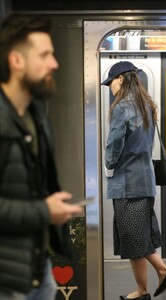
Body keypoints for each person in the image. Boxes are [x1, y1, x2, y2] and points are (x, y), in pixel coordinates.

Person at [0, 13, 83, 300]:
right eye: (45, 54)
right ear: (17, 61)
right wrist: (44, 211)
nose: (54, 64)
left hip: (37, 272)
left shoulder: (37, 119)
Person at [101, 61, 166, 300]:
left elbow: (114, 146)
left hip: (127, 185)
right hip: (145, 182)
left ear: (121, 79)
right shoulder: (146, 105)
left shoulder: (122, 108)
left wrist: (108, 163)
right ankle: (143, 290)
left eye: (111, 82)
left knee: (134, 239)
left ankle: (162, 271)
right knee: (139, 237)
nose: (110, 87)